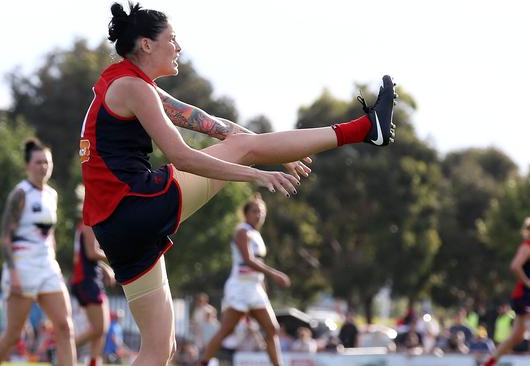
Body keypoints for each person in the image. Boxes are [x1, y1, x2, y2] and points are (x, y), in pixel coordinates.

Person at [80, 3, 396, 365]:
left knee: (158, 350)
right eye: (172, 39)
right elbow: (183, 157)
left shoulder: (124, 82)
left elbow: (214, 125)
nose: (179, 47)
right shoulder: (134, 88)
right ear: (147, 45)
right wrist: (256, 173)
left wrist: (264, 151)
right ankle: (363, 129)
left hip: (115, 227)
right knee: (244, 150)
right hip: (136, 205)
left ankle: (366, 130)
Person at [0, 138, 76, 366]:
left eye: (47, 162)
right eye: (38, 162)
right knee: (13, 335)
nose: (43, 167)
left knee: (65, 326)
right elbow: (5, 237)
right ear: (28, 166)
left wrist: (52, 258)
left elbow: (51, 233)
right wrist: (13, 273)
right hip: (22, 265)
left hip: (47, 266)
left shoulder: (52, 195)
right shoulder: (20, 193)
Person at [199, 196, 289, 365]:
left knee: (272, 329)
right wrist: (274, 274)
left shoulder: (256, 235)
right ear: (246, 213)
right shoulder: (242, 231)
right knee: (226, 330)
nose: (259, 215)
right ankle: (202, 363)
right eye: (255, 211)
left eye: (261, 211)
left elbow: (258, 266)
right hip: (240, 288)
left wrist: (264, 286)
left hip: (255, 289)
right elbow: (248, 260)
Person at [71, 205, 116, 366]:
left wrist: (105, 268)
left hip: (91, 280)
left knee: (102, 328)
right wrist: (115, 255)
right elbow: (91, 253)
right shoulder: (88, 222)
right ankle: (64, 349)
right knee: (99, 328)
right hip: (86, 281)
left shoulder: (89, 222)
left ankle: (93, 362)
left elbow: (88, 255)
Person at [485, 216, 530, 366]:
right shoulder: (527, 247)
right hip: (525, 296)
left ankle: (490, 362)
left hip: (523, 296)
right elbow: (515, 266)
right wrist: (528, 282)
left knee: (517, 336)